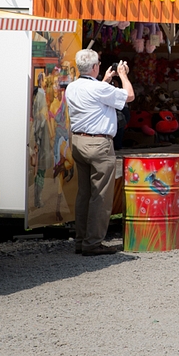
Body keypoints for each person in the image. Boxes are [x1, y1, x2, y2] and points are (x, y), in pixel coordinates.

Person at [64, 49, 134, 256]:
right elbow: (129, 96)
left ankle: (81, 239)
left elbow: (93, 95)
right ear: (95, 67)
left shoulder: (72, 87)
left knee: (84, 194)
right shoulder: (99, 88)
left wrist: (104, 80)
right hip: (99, 144)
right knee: (101, 195)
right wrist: (122, 75)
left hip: (79, 141)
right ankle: (93, 242)